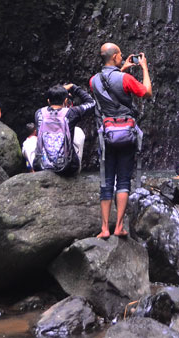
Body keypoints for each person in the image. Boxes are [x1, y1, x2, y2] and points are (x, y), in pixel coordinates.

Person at [89, 42, 152, 239]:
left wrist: (121, 69)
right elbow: (146, 92)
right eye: (121, 55)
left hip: (106, 135)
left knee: (106, 181)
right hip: (126, 134)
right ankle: (119, 227)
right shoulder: (125, 78)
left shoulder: (93, 81)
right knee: (123, 180)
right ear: (115, 56)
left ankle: (105, 228)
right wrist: (144, 68)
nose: (122, 57)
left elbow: (109, 92)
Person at [33, 83, 94, 175]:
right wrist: (74, 88)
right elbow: (92, 103)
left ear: (48, 101)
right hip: (67, 167)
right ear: (66, 101)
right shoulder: (71, 113)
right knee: (78, 132)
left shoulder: (39, 113)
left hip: (41, 166)